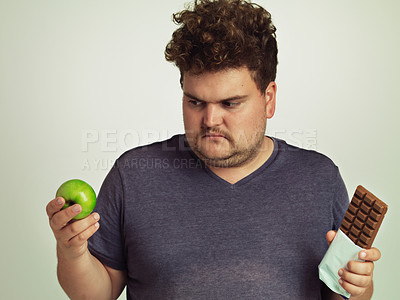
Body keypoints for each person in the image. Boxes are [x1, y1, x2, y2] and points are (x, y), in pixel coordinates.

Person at [46, 0, 381, 299]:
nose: (209, 120)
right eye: (195, 101)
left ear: (269, 99)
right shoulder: (132, 175)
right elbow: (96, 294)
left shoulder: (320, 179)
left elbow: (340, 292)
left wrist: (358, 288)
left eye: (230, 103)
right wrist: (72, 251)